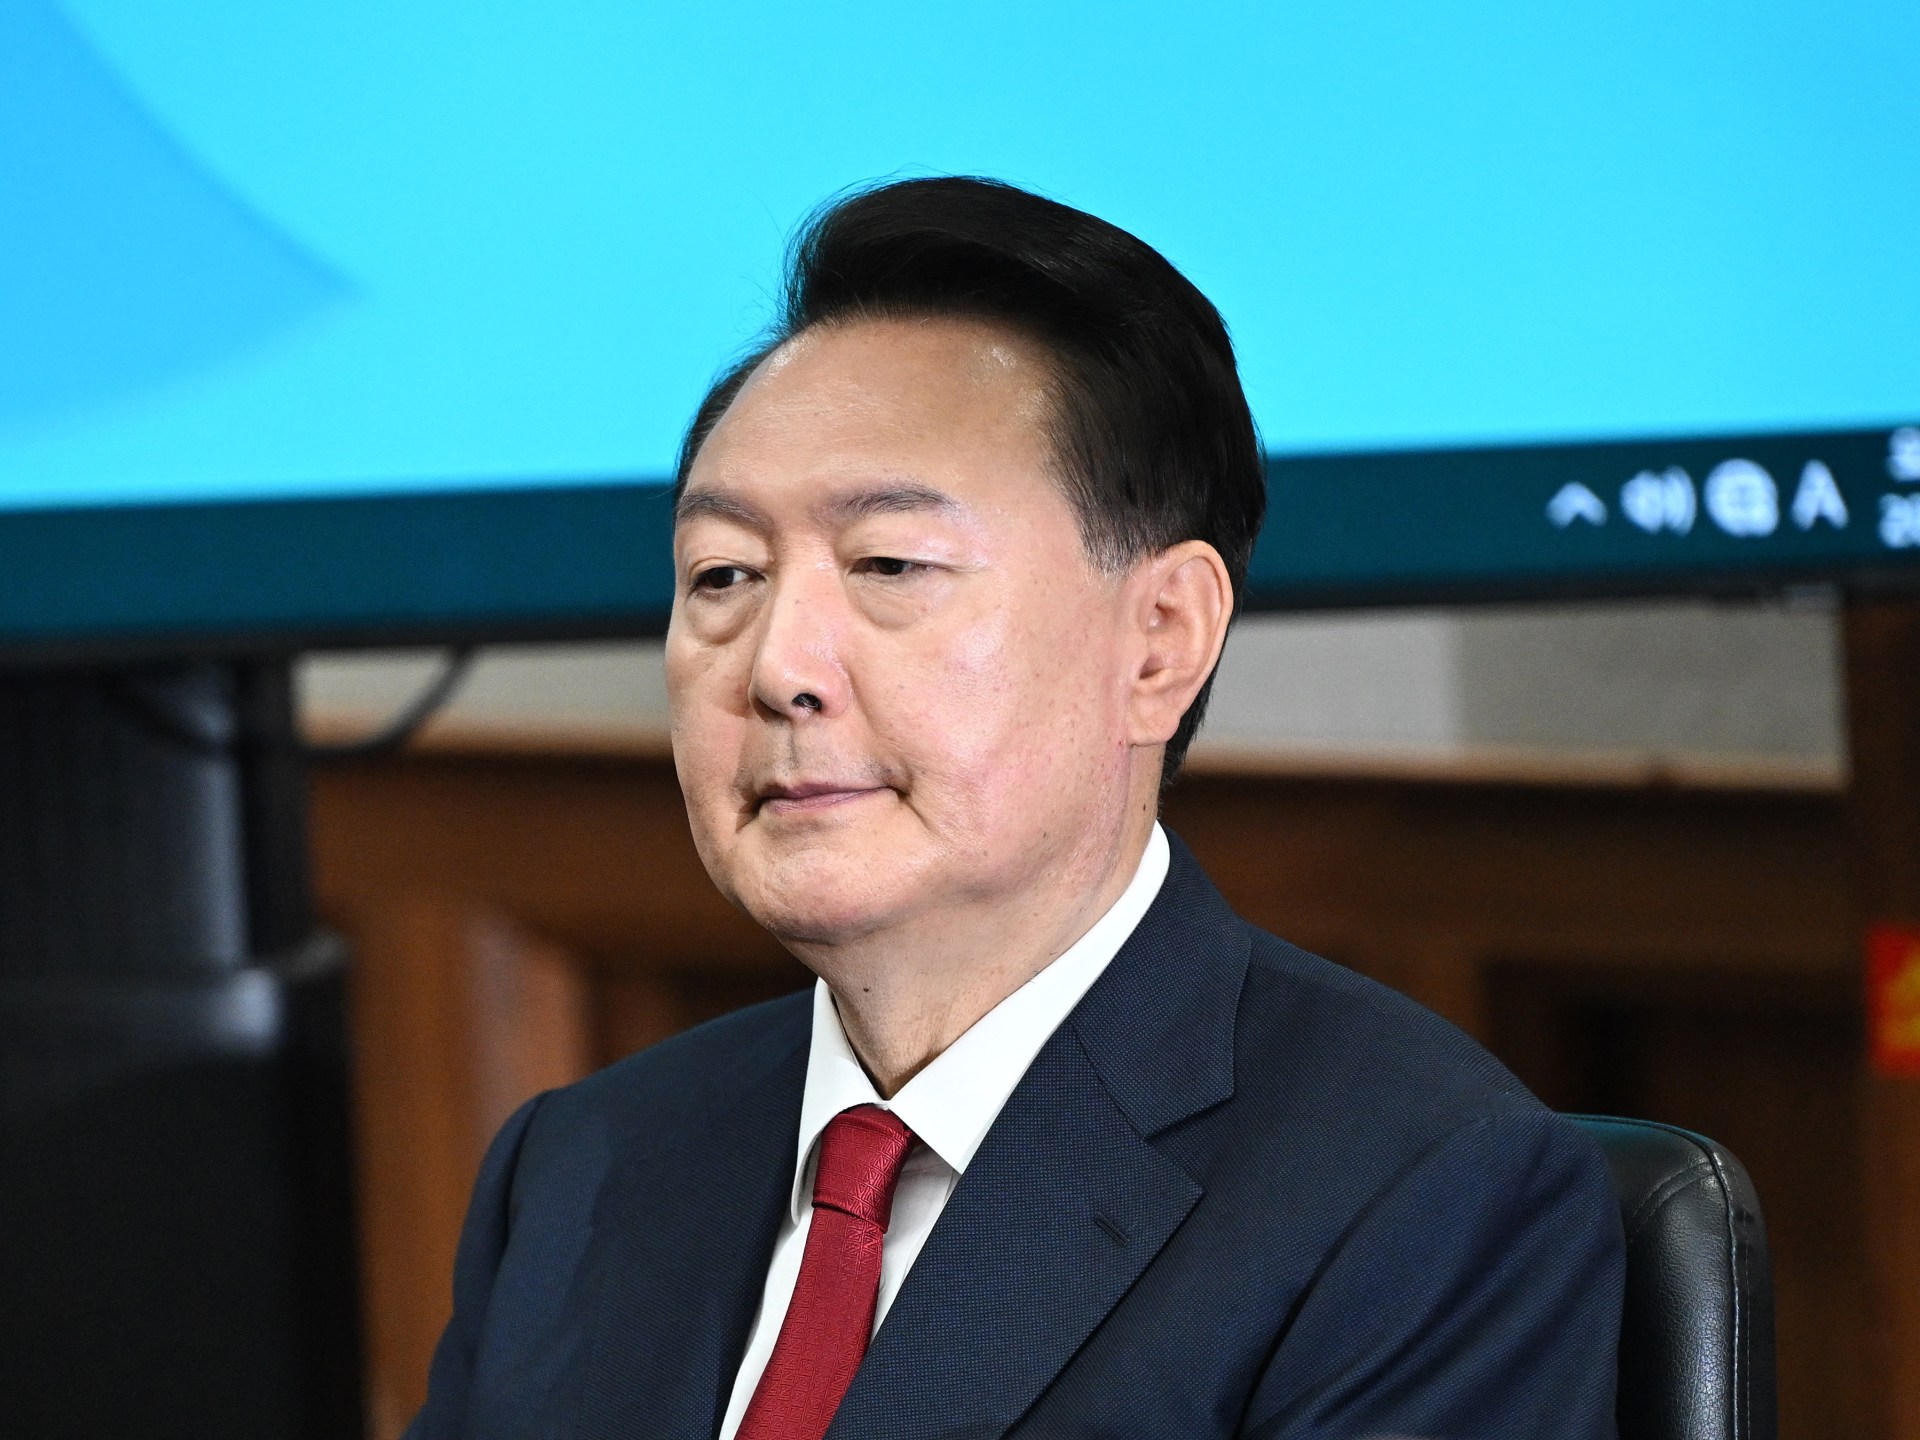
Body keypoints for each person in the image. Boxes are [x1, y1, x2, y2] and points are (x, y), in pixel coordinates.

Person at [405, 176, 1624, 1440]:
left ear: (1160, 640)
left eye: (890, 564)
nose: (778, 667)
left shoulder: (1418, 1197)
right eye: (724, 575)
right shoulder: (581, 1167)